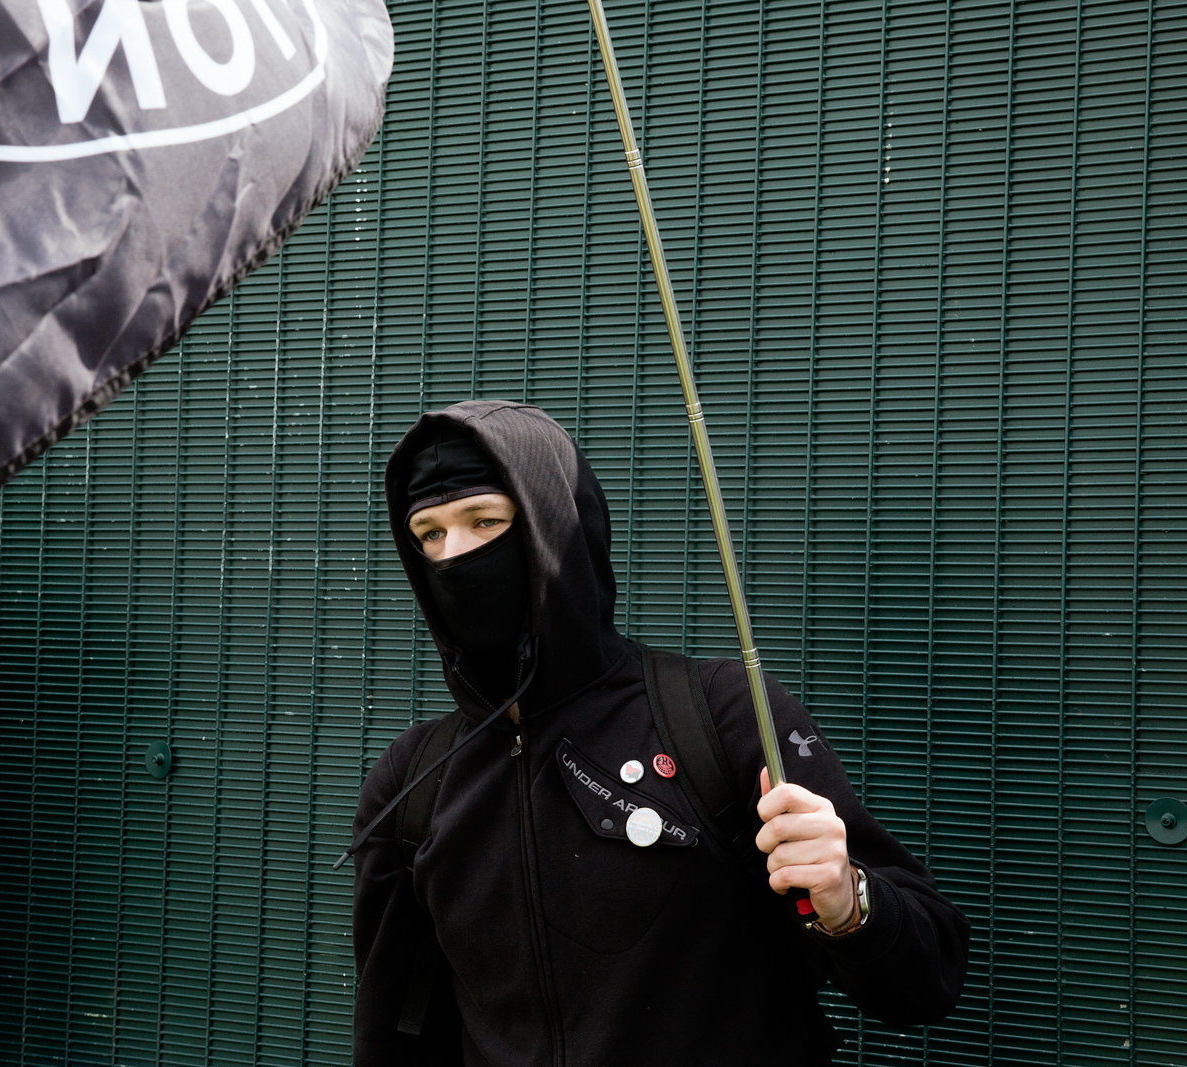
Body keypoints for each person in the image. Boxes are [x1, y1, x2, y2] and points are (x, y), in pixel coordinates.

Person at [348, 400, 969, 1065]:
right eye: (429, 532)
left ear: (557, 529)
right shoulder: (414, 783)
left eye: (485, 520)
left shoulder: (718, 714)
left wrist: (849, 903)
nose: (455, 554)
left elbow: (926, 978)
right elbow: (398, 1032)